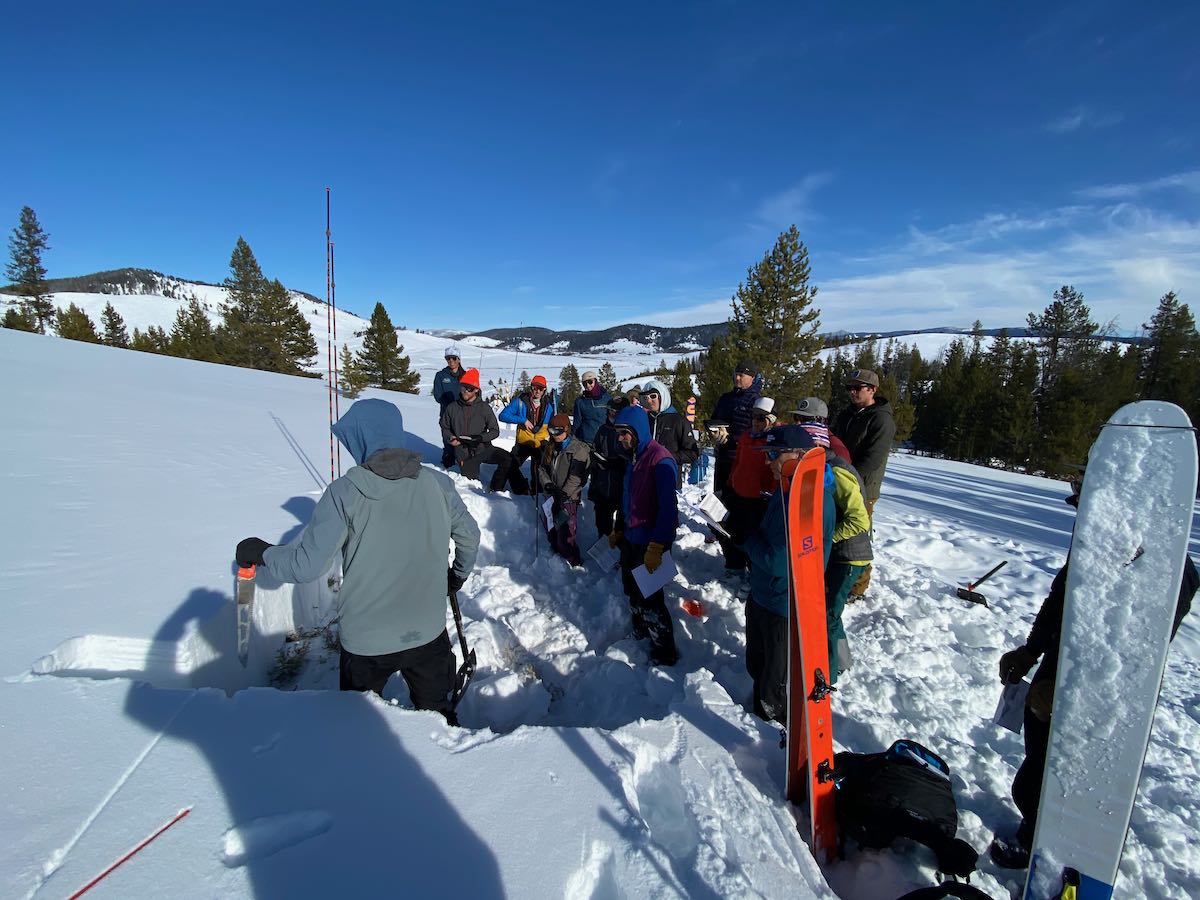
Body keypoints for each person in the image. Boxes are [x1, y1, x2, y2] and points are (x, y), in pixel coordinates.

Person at [990, 486, 1198, 869]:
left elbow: (1142, 646)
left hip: (1102, 690)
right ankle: (1034, 834)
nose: (1076, 487)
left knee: (1059, 780)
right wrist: (1031, 651)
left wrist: (1076, 690)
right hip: (1060, 665)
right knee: (1037, 769)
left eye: (1083, 482)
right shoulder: (1101, 529)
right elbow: (1062, 595)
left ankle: (1054, 853)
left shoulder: (1167, 560)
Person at [235, 398, 480, 725]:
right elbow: (470, 537)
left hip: (367, 642)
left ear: (361, 438)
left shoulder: (344, 493)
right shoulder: (438, 484)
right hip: (427, 632)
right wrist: (457, 576)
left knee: (360, 727)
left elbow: (306, 566)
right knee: (439, 718)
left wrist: (262, 552)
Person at [738, 425, 834, 723]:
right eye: (765, 454)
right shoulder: (785, 489)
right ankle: (758, 719)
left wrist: (746, 538)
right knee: (758, 667)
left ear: (801, 455)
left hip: (784, 606)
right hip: (763, 596)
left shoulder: (811, 500)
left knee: (775, 686)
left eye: (773, 454)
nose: (767, 461)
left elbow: (779, 562)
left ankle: (772, 735)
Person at [608, 405, 680, 666]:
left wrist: (658, 545)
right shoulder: (633, 457)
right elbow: (627, 497)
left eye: (624, 433)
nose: (620, 439)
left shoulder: (660, 460)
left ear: (637, 430)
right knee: (631, 590)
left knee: (651, 599)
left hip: (652, 542)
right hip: (631, 537)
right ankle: (640, 631)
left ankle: (665, 652)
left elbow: (668, 509)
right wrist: (619, 527)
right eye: (618, 433)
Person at [831, 369, 895, 600]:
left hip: (864, 486)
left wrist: (847, 476)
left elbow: (873, 458)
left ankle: (858, 586)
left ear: (873, 390)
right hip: (839, 482)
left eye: (858, 388)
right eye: (850, 388)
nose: (852, 392)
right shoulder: (847, 414)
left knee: (857, 536)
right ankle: (837, 574)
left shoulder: (881, 419)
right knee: (838, 528)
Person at [824, 452, 872, 683]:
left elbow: (859, 520)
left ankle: (829, 671)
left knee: (829, 615)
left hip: (850, 557)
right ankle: (842, 660)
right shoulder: (826, 467)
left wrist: (827, 538)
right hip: (840, 555)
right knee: (829, 612)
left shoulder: (836, 471)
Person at [709, 360, 762, 572]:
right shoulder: (726, 398)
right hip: (723, 459)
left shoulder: (757, 402)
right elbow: (714, 419)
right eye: (736, 374)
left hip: (742, 464)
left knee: (738, 514)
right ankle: (730, 558)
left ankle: (742, 561)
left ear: (752, 377)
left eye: (742, 374)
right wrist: (713, 431)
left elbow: (756, 434)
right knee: (718, 508)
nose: (737, 378)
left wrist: (731, 438)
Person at [441, 368, 528, 493]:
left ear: (476, 390)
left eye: (469, 388)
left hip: (483, 448)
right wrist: (450, 438)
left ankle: (497, 489)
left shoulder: (484, 408)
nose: (465, 391)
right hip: (463, 453)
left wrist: (481, 438)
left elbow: (495, 431)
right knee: (470, 487)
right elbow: (445, 426)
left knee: (508, 459)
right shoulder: (452, 408)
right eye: (463, 387)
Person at [535, 413, 591, 566]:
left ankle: (573, 563)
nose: (555, 435)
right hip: (551, 497)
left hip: (568, 500)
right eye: (551, 432)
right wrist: (547, 484)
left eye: (558, 432)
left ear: (567, 430)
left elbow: (577, 477)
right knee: (551, 531)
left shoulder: (578, 449)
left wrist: (563, 494)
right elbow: (542, 469)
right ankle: (556, 562)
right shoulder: (551, 447)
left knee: (566, 535)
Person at [724, 396, 778, 546]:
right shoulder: (747, 436)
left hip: (758, 500)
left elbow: (777, 471)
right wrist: (730, 484)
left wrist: (770, 494)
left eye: (761, 418)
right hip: (738, 494)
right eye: (753, 416)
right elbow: (738, 462)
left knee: (750, 540)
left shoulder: (776, 440)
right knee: (731, 535)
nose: (755, 421)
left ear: (771, 420)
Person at [641, 378, 700, 488]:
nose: (649, 401)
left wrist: (667, 457)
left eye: (653, 396)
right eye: (646, 398)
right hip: (645, 480)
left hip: (669, 478)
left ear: (662, 396)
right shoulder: (644, 419)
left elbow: (692, 453)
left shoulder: (678, 421)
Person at [499, 374, 556, 485]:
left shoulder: (550, 405)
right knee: (510, 465)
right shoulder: (520, 401)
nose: (537, 391)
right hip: (523, 442)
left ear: (544, 390)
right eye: (535, 388)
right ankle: (517, 489)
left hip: (540, 444)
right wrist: (523, 420)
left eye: (540, 388)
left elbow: (553, 423)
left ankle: (537, 490)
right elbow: (503, 416)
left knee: (539, 472)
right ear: (531, 388)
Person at [588, 395, 629, 540]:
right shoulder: (603, 430)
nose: (613, 413)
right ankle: (603, 545)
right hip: (603, 485)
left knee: (622, 526)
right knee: (602, 522)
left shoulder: (629, 432)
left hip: (622, 487)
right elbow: (594, 452)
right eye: (611, 410)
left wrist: (619, 463)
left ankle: (620, 546)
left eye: (617, 411)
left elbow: (634, 457)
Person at [431, 346, 465, 468]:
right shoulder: (441, 375)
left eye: (453, 358)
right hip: (447, 414)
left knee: (463, 438)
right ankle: (448, 459)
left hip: (464, 414)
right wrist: (451, 407)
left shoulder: (466, 375)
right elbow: (438, 395)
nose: (451, 361)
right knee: (448, 438)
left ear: (459, 359)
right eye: (448, 358)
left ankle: (463, 459)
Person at [793, 397, 852, 463]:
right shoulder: (794, 438)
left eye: (805, 419)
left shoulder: (838, 449)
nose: (798, 422)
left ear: (822, 421)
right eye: (796, 417)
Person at [572, 370, 611, 445]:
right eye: (584, 383)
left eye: (590, 382)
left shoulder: (607, 399)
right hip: (587, 441)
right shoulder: (580, 401)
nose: (588, 385)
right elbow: (577, 423)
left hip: (605, 440)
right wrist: (573, 439)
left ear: (595, 381)